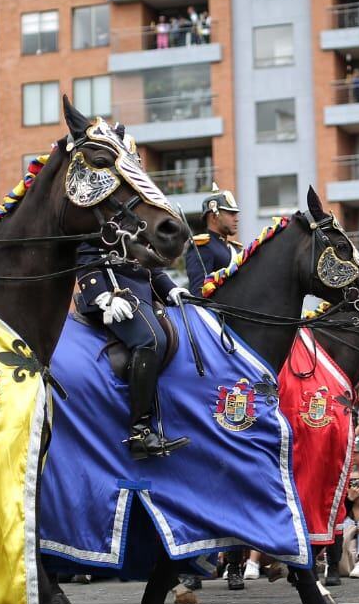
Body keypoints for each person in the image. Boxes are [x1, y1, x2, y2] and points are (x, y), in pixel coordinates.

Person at [76, 239, 192, 460]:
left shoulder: (134, 222)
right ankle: (140, 432)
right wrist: (101, 295)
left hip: (141, 295)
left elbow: (148, 267)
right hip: (116, 294)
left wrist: (170, 289)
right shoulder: (102, 218)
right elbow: (85, 252)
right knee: (151, 340)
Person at [182, 187, 241, 293]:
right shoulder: (203, 247)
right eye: (231, 214)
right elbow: (198, 293)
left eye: (236, 214)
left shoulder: (236, 249)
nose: (236, 219)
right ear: (214, 216)